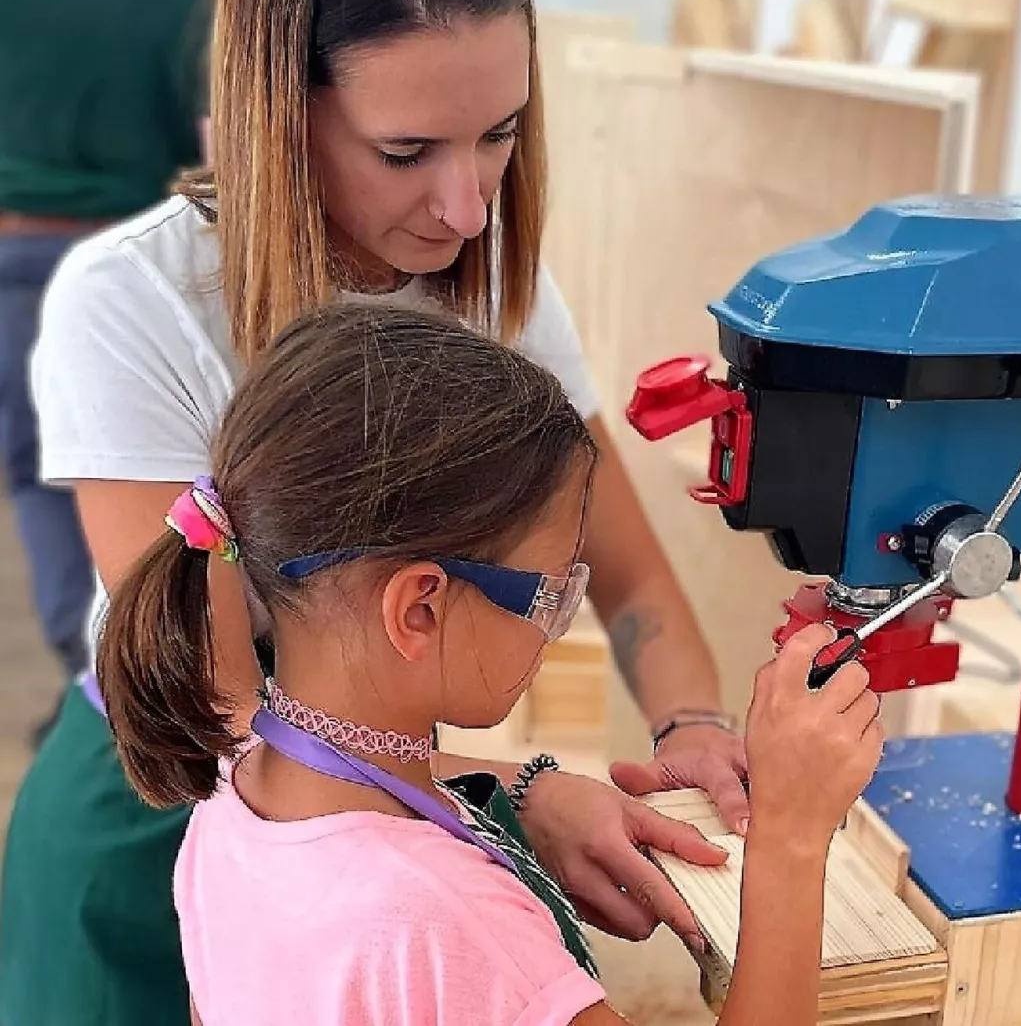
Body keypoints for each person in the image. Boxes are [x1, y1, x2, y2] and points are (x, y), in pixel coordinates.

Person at [2, 0, 764, 1021]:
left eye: (501, 133)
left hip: (382, 810)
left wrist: (690, 728)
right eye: (406, 151)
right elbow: (224, 714)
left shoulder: (500, 286)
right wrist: (510, 794)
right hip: (163, 809)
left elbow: (631, 588)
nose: (464, 208)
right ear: (280, 108)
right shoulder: (135, 302)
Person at [100, 303, 882, 1026]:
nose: (557, 622)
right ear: (419, 609)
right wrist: (790, 837)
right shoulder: (444, 920)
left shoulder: (233, 788)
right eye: (549, 591)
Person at [0, 0, 214, 737]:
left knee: (42, 482)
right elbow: (202, 141)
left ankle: (91, 676)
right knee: (156, 478)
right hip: (139, 267)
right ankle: (152, 676)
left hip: (15, 257)